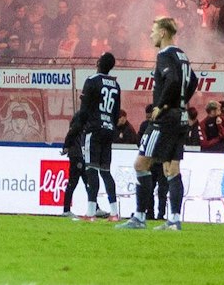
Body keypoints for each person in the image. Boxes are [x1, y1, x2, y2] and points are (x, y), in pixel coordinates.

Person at [120, 17, 197, 231]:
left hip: (166, 119)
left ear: (163, 33)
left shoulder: (164, 55)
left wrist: (161, 105)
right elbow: (193, 80)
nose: (151, 35)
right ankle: (174, 220)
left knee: (141, 164)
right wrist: (182, 102)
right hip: (180, 117)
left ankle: (139, 217)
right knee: (172, 168)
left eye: (153, 31)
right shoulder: (181, 55)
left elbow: (172, 80)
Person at [75, 52, 121, 220]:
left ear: (99, 63)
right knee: (106, 171)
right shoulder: (115, 85)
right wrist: (111, 126)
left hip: (94, 130)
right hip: (109, 129)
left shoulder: (92, 81)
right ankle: (114, 212)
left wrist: (81, 127)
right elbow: (116, 113)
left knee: (91, 169)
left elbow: (84, 109)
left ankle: (91, 212)